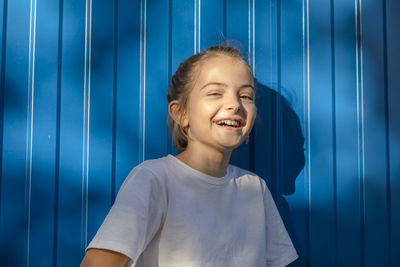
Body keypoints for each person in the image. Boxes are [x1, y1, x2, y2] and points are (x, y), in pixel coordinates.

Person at [80, 45, 298, 267]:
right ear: (181, 113)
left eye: (245, 95)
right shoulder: (155, 179)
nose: (235, 104)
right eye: (215, 93)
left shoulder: (256, 190)